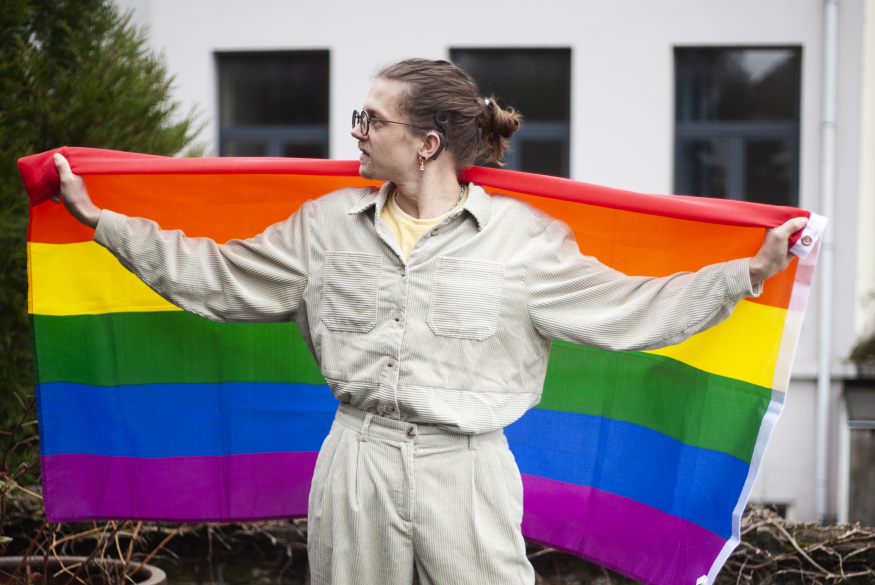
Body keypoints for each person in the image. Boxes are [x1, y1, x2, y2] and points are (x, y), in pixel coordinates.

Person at [52, 58, 806, 585]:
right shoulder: (322, 228)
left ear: (426, 142)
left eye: (370, 119)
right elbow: (214, 280)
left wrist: (746, 273)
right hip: (356, 463)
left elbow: (633, 309)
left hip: (469, 471)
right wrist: (101, 219)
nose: (356, 131)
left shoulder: (525, 241)